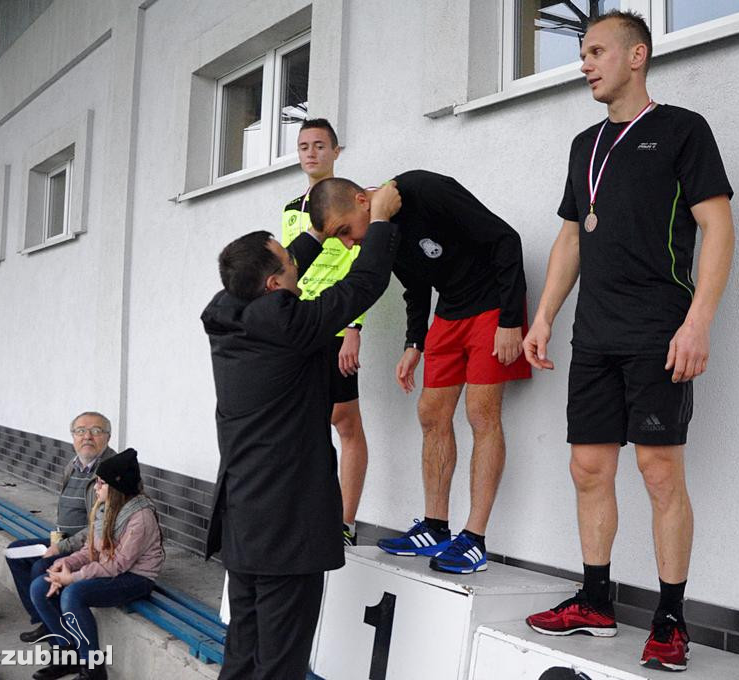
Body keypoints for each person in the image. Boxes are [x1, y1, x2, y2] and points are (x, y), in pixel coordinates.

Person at [522, 10, 735, 672]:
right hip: (596, 336)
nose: (583, 63)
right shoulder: (584, 143)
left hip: (657, 331)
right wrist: (545, 315)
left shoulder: (681, 131)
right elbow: (569, 236)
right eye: (582, 53)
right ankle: (594, 602)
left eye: (594, 52)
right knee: (588, 468)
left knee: (659, 469)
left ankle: (671, 619)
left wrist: (698, 319)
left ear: (636, 55)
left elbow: (718, 226)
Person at [202, 183, 401, 680]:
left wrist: (317, 228)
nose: (295, 264)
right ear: (274, 285)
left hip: (244, 522)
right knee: (279, 667)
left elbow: (282, 266)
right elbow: (363, 285)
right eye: (287, 264)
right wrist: (378, 222)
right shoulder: (291, 327)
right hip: (286, 531)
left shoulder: (225, 311)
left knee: (242, 659)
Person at [309, 170, 530, 574]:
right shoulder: (381, 232)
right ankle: (435, 527)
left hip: (492, 304)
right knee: (431, 414)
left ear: (362, 201)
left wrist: (511, 319)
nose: (347, 242)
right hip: (451, 310)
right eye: (337, 238)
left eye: (344, 231)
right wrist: (414, 345)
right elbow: (416, 287)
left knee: (481, 414)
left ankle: (475, 540)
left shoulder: (424, 189)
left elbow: (506, 239)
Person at [281, 118, 369, 546]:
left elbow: (362, 267)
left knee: (346, 420)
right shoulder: (291, 210)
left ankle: (345, 522)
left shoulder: (353, 200)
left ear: (336, 151)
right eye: (303, 146)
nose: (311, 152)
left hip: (339, 322)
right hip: (302, 326)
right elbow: (289, 272)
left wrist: (354, 328)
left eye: (319, 145)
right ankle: (308, 514)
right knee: (306, 422)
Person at [29, 448, 165, 680]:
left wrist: (73, 578)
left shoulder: (140, 517)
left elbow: (117, 565)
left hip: (136, 578)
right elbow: (91, 550)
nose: (96, 487)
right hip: (111, 569)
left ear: (118, 487)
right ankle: (66, 653)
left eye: (102, 483)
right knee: (39, 587)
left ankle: (92, 670)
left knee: (73, 594)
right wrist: (65, 563)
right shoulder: (105, 508)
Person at [7, 412, 116, 644]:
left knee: (41, 567)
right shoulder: (74, 464)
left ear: (108, 436)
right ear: (72, 436)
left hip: (92, 547)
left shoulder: (111, 472)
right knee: (15, 552)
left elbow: (103, 526)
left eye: (96, 431)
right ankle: (45, 621)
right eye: (80, 431)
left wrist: (61, 547)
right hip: (65, 540)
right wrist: (58, 542)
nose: (87, 436)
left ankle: (61, 640)